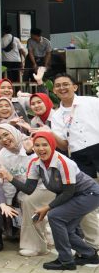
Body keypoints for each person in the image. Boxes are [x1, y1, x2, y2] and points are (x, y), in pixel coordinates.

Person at [0, 132, 99, 270]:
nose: (41, 149)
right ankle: (89, 255)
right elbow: (28, 189)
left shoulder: (64, 162)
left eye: (45, 145)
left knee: (55, 216)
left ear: (52, 146)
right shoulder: (35, 163)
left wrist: (47, 208)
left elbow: (68, 192)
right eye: (37, 145)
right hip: (74, 195)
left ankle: (65, 260)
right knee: (66, 228)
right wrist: (9, 177)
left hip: (89, 194)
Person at [48, 72, 99, 247]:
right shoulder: (56, 115)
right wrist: (49, 133)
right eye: (58, 85)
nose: (62, 88)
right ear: (54, 90)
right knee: (89, 201)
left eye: (65, 84)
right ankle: (94, 244)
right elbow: (63, 145)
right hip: (79, 158)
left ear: (74, 86)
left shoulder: (91, 102)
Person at [0, 123, 52, 256]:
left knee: (27, 201)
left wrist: (30, 152)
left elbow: (43, 163)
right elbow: (7, 180)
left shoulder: (30, 143)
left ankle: (35, 244)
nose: (3, 139)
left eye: (6, 134)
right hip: (25, 189)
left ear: (14, 132)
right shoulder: (3, 154)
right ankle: (39, 240)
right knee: (21, 200)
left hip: (46, 186)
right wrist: (7, 202)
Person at [0, 97, 28, 164]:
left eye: (7, 106)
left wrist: (28, 129)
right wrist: (8, 124)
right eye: (0, 106)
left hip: (21, 164)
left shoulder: (20, 123)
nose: (4, 108)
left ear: (12, 108)